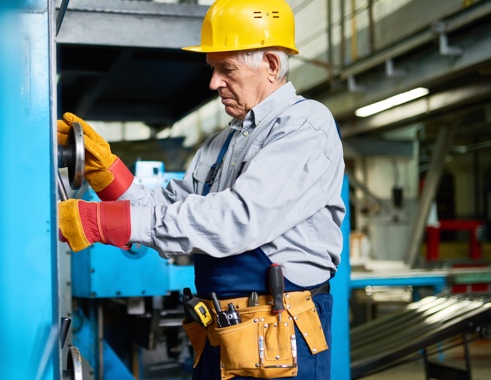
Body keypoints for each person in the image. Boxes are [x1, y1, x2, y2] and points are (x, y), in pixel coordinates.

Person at [57, 0, 345, 379]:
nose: (214, 83)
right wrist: (108, 174)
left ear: (271, 65)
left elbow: (235, 220)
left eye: (226, 69)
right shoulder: (220, 144)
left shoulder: (306, 126)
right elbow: (170, 207)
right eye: (212, 69)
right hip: (221, 335)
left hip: (279, 342)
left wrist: (100, 221)